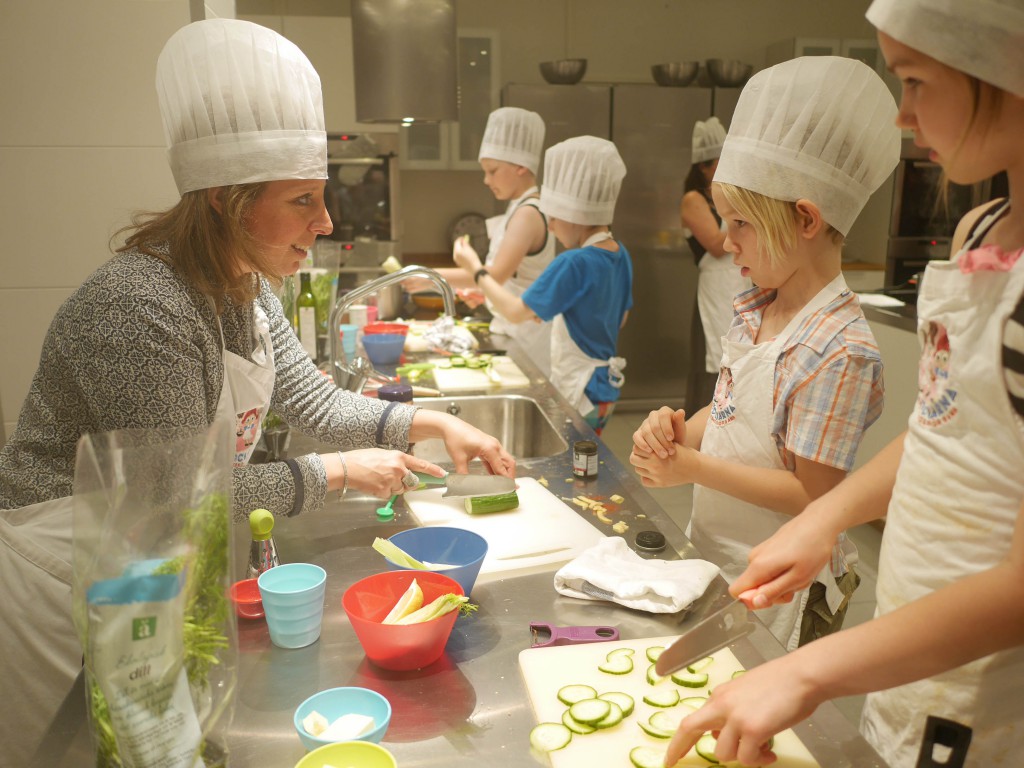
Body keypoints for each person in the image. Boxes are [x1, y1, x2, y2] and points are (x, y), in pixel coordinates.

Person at [0, 19, 513, 764]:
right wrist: (332, 474)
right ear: (226, 202)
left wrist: (430, 423)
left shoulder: (247, 287)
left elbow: (315, 404)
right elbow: (175, 498)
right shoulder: (141, 307)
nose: (327, 220)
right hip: (57, 581)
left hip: (142, 569)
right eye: (303, 200)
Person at [661, 1, 1024, 766]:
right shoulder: (980, 234)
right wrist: (828, 519)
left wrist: (812, 667)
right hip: (910, 635)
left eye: (918, 80)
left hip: (990, 686)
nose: (904, 114)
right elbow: (943, 429)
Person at [631, 56, 900, 652]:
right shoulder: (757, 303)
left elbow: (814, 497)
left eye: (741, 225)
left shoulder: (839, 347)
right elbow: (728, 411)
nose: (727, 243)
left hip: (785, 582)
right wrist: (679, 434)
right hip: (720, 553)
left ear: (805, 218)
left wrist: (693, 470)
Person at [453, 136, 631, 435]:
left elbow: (513, 311)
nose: (549, 227)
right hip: (605, 387)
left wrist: (475, 268)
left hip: (579, 389)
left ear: (575, 215)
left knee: (571, 464)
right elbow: (619, 317)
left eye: (554, 217)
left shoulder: (574, 261)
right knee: (587, 456)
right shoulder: (618, 253)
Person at [405, 107, 555, 375]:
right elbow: (511, 281)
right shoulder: (521, 209)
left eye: (493, 171)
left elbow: (494, 276)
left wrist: (435, 275)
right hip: (517, 331)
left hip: (529, 340)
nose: (486, 180)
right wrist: (485, 295)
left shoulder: (527, 214)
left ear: (521, 166)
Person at [681, 117, 750, 409]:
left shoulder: (729, 194)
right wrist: (743, 213)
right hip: (714, 291)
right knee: (713, 359)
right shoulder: (693, 199)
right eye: (721, 162)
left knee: (740, 357)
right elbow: (716, 245)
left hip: (741, 284)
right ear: (704, 166)